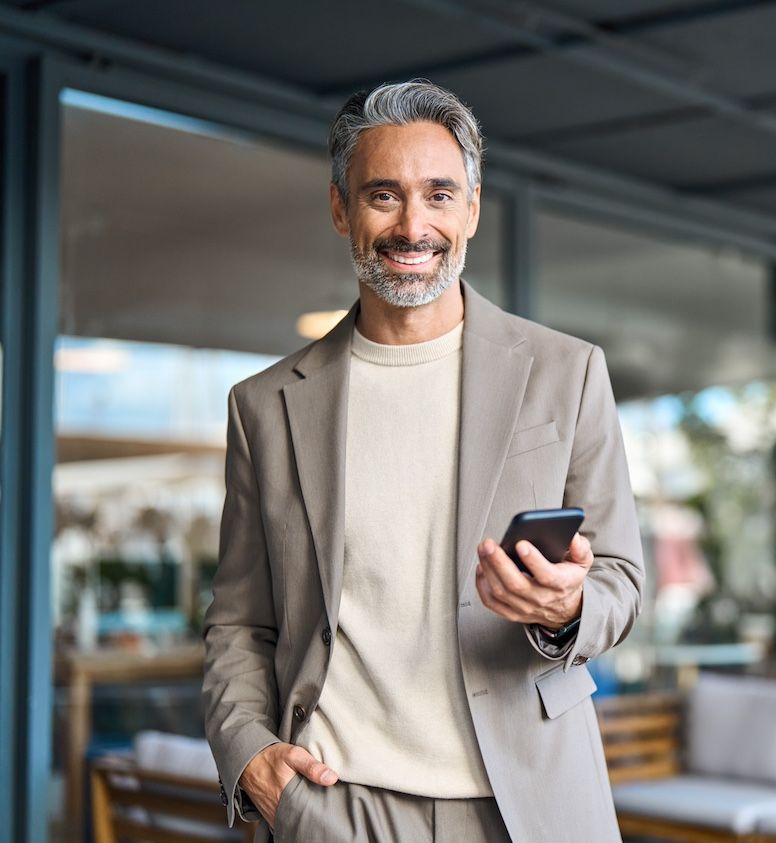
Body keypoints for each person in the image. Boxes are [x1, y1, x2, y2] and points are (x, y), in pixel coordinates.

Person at [201, 78, 644, 843]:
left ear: (471, 208)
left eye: (440, 195)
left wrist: (567, 608)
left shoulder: (566, 372)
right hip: (333, 803)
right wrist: (248, 756)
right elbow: (241, 621)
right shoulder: (264, 406)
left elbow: (624, 583)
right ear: (341, 209)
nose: (414, 225)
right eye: (383, 195)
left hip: (526, 805)